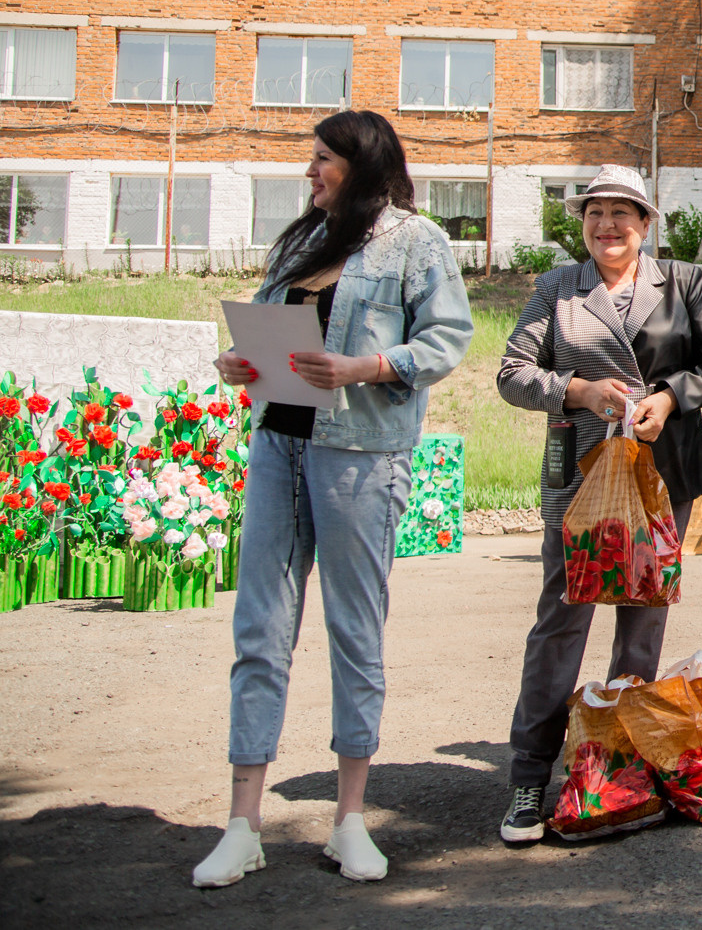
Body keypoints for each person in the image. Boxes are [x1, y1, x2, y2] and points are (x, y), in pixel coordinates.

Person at [197, 110, 473, 887]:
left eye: (321, 159)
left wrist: (366, 367)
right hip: (279, 445)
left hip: (360, 458)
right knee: (260, 629)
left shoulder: (416, 241)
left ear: (360, 163)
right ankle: (241, 824)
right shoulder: (299, 241)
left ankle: (350, 819)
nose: (309, 171)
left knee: (355, 632)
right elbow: (268, 324)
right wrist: (239, 360)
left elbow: (449, 337)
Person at [493, 165, 702, 842]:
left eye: (622, 213)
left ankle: (611, 772)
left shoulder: (685, 282)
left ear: (646, 223)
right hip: (583, 483)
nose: (608, 226)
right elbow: (512, 373)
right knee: (561, 622)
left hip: (662, 480)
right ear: (582, 222)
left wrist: (667, 396)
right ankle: (528, 775)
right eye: (596, 213)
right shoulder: (556, 288)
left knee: (642, 624)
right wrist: (576, 389)